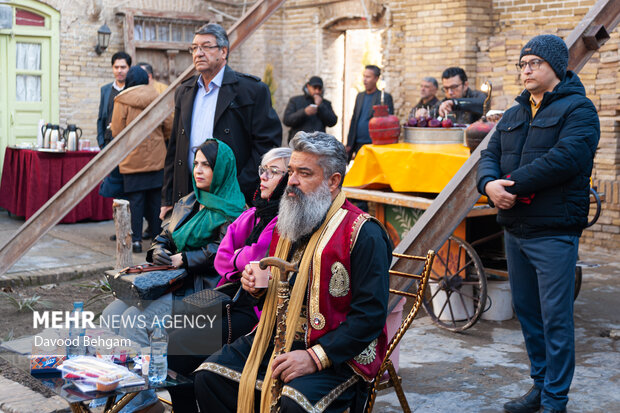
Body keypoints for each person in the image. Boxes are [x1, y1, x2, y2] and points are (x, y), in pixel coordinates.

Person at [194, 131, 393, 412]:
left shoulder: (363, 233)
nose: (293, 182)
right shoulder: (290, 221)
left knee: (291, 403)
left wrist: (314, 357)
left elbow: (370, 316)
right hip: (277, 336)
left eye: (304, 173)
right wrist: (257, 288)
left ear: (333, 181)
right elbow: (276, 295)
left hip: (337, 353)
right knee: (208, 375)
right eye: (290, 172)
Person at [477, 34, 600, 413]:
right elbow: (489, 155)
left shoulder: (579, 110)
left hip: (554, 230)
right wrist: (488, 185)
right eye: (523, 64)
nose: (526, 70)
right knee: (528, 314)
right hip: (515, 229)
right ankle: (540, 386)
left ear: (556, 67)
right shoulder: (513, 114)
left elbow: (565, 159)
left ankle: (555, 400)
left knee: (556, 319)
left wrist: (508, 186)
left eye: (534, 63)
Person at [167, 146, 292, 413]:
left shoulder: (286, 218)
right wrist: (240, 259)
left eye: (273, 172)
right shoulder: (255, 211)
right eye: (263, 170)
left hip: (258, 309)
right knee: (172, 333)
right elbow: (221, 257)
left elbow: (256, 257)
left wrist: (238, 258)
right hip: (233, 294)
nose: (264, 177)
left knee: (181, 346)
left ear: (289, 178)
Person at [162, 23, 282, 215]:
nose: (198, 53)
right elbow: (175, 149)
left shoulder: (251, 90)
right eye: (194, 48)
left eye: (206, 47)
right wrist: (168, 198)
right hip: (187, 194)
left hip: (231, 197)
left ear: (223, 51)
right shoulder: (184, 91)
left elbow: (266, 146)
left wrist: (238, 189)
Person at [110, 66, 172, 253]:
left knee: (135, 202)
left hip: (132, 160)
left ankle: (136, 240)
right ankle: (156, 240)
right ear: (147, 79)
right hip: (157, 158)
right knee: (155, 201)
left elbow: (117, 132)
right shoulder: (158, 97)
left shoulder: (122, 101)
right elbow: (169, 126)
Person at [346, 65, 394, 161]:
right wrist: (349, 144)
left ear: (376, 79)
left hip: (374, 144)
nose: (365, 80)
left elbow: (388, 122)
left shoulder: (384, 97)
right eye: (364, 76)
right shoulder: (360, 96)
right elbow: (355, 119)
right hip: (358, 144)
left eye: (368, 77)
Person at [283, 76, 338, 141]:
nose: (317, 91)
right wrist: (304, 112)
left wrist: (320, 106)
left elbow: (332, 122)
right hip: (299, 142)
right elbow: (287, 120)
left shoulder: (325, 103)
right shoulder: (295, 100)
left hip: (318, 143)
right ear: (308, 86)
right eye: (314, 88)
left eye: (319, 88)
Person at [97, 51, 131, 148]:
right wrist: (100, 141)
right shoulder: (105, 90)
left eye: (123, 67)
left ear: (129, 68)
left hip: (126, 143)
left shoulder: (131, 90)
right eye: (116, 67)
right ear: (112, 68)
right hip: (107, 143)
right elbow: (100, 118)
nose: (119, 70)